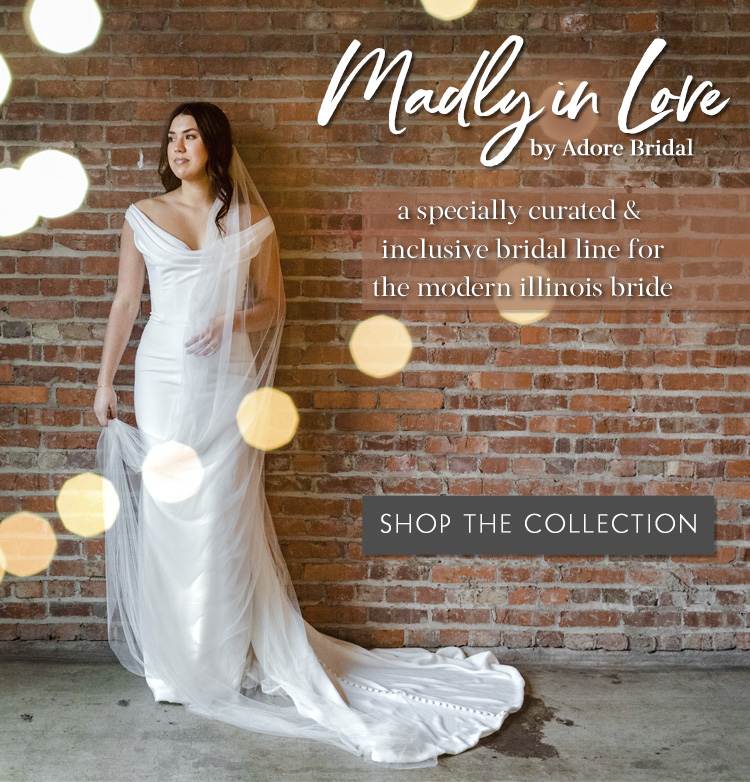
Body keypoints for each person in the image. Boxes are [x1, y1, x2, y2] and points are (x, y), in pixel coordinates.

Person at [94, 101, 525, 768]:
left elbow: (275, 301)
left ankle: (222, 654)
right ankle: (174, 663)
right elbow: (126, 302)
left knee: (221, 515)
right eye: (172, 138)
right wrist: (104, 381)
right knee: (171, 510)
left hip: (228, 376)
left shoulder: (249, 221)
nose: (179, 147)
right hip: (160, 377)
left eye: (192, 136)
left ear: (214, 146)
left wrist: (233, 325)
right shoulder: (142, 217)